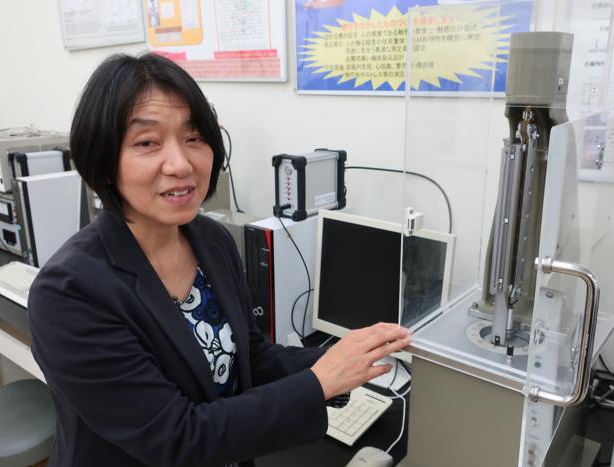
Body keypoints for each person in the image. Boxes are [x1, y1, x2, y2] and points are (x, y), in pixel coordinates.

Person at [28, 53, 411, 467]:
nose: (181, 164)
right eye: (146, 143)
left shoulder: (210, 240)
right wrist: (318, 383)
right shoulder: (69, 293)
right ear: (103, 160)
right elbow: (175, 438)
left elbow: (250, 356)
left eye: (194, 138)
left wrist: (343, 359)